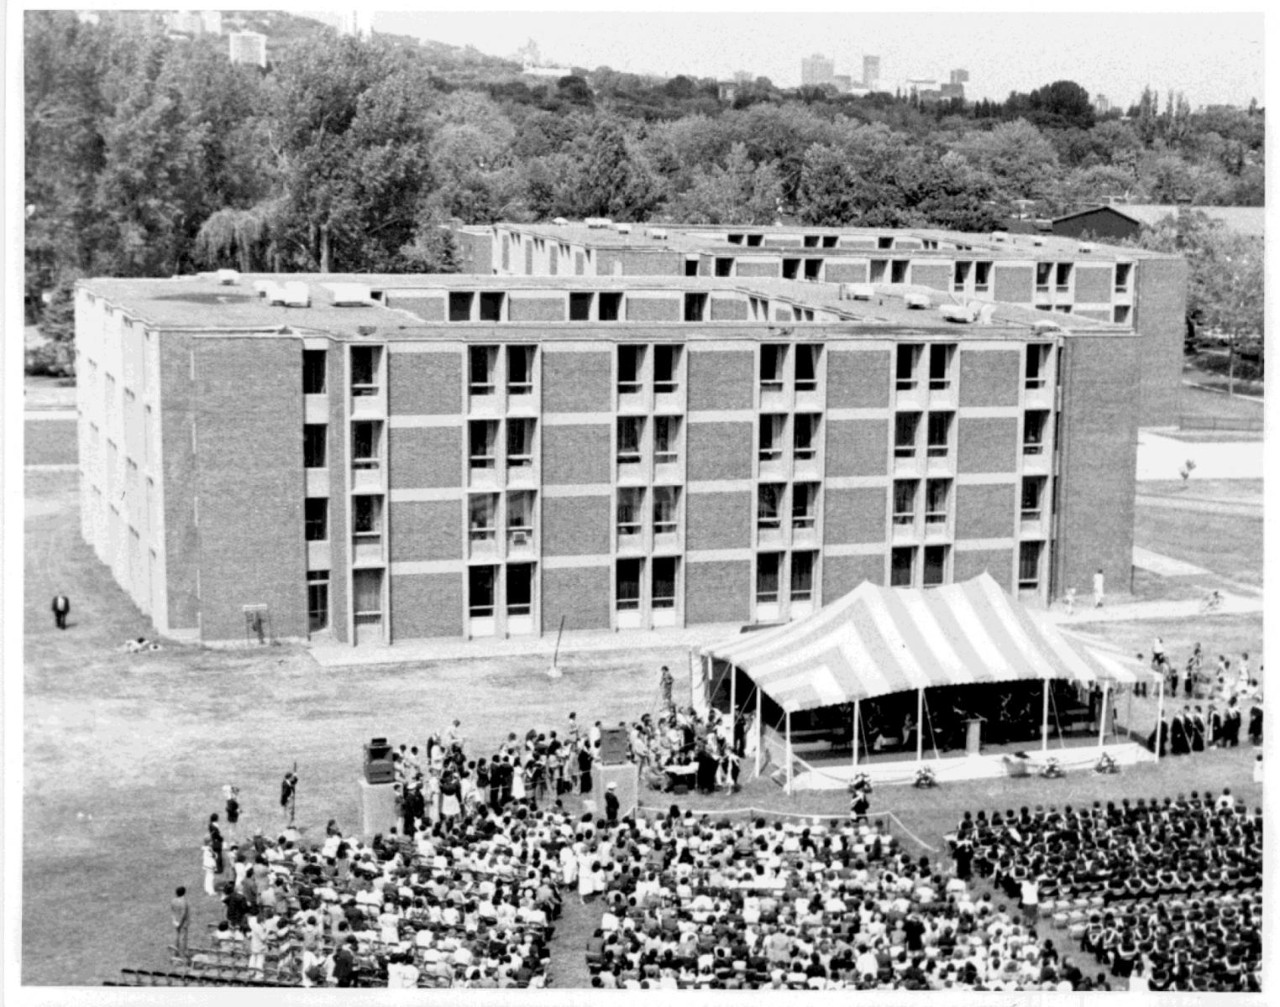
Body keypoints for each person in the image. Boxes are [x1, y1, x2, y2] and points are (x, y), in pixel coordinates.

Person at [171, 886, 190, 960]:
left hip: (175, 922)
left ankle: (175, 953)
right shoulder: (184, 902)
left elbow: (172, 911)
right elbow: (183, 914)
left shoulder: (173, 900)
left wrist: (174, 920)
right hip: (183, 923)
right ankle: (182, 955)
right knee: (183, 939)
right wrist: (180, 923)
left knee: (177, 937)